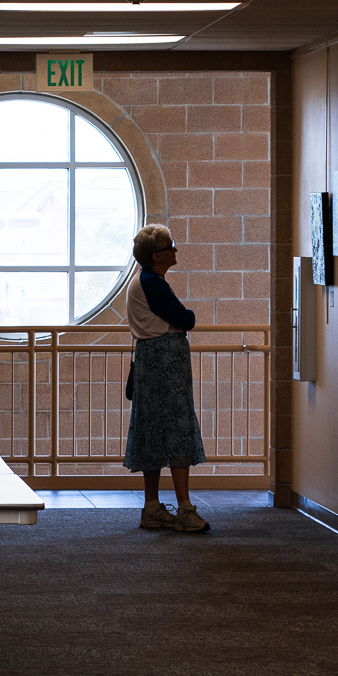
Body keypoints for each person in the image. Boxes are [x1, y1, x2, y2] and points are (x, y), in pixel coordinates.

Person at [123, 223, 210, 533]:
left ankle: (152, 506)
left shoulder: (143, 280)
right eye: (171, 246)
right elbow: (185, 319)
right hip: (166, 360)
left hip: (150, 360)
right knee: (176, 429)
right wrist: (187, 318)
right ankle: (184, 507)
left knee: (151, 429)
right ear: (157, 256)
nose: (176, 250)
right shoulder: (154, 284)